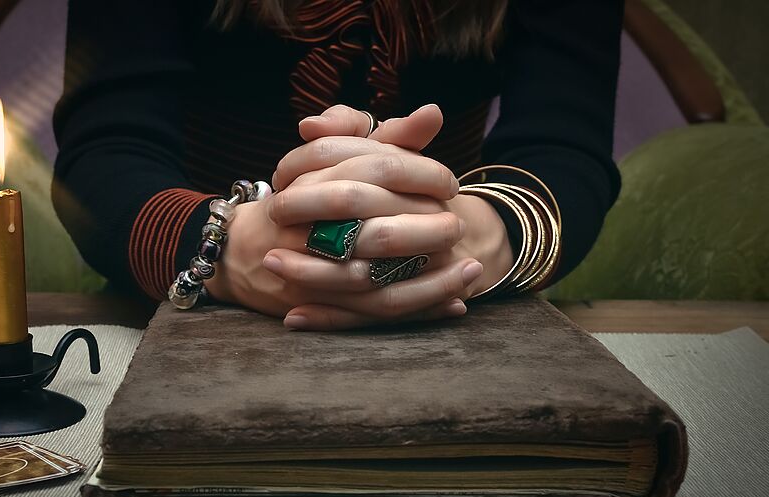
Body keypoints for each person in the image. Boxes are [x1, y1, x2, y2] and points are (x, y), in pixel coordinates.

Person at [53, 0, 622, 330]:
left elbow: (565, 144)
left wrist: (469, 234)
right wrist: (229, 246)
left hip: (455, 301)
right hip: (192, 302)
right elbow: (107, 148)